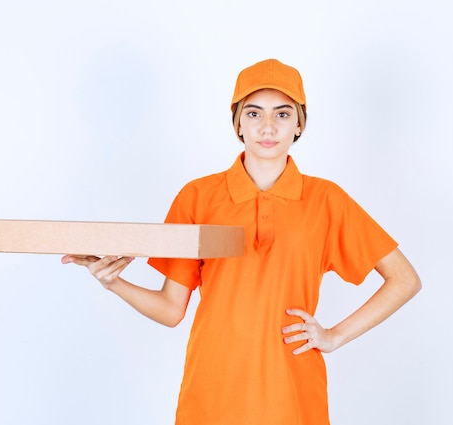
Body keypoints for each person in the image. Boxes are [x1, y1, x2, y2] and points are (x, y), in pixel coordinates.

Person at [62, 58, 421, 425]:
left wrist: (334, 336)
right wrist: (113, 283)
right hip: (214, 390)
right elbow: (172, 309)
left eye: (282, 114)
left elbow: (405, 279)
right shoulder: (198, 197)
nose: (267, 127)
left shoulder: (327, 201)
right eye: (253, 114)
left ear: (299, 124)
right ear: (237, 123)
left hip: (292, 393)